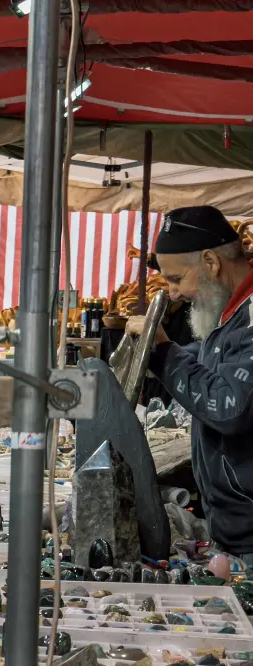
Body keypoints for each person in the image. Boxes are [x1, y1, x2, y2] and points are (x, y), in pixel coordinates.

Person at [130, 205, 253, 564]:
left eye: (176, 278)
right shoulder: (233, 313)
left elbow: (233, 407)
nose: (173, 293)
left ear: (211, 262)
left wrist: (166, 354)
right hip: (232, 530)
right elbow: (212, 364)